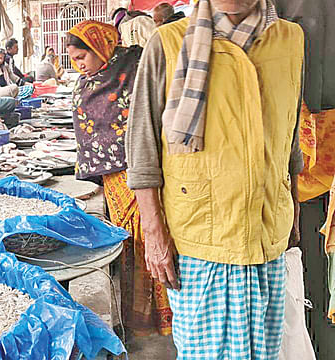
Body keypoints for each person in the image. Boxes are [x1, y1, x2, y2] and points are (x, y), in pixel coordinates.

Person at [126, 0, 304, 357]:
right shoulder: (167, 43)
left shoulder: (290, 39)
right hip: (200, 241)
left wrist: (292, 208)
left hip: (266, 231)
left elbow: (290, 135)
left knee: (265, 352)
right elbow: (142, 149)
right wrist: (155, 235)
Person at [66, 20, 170, 336]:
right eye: (73, 59)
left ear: (101, 47)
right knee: (129, 241)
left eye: (82, 56)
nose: (78, 64)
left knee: (150, 238)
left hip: (141, 169)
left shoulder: (134, 70)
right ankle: (135, 314)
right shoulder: (91, 80)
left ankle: (163, 316)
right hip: (113, 178)